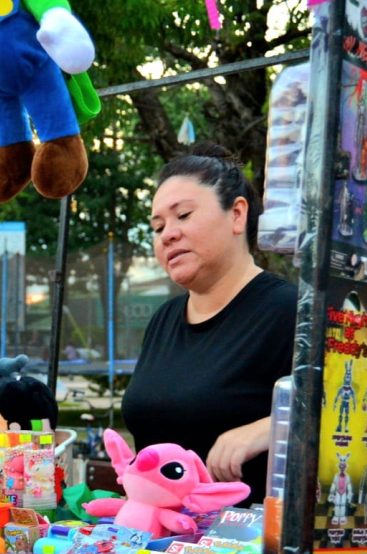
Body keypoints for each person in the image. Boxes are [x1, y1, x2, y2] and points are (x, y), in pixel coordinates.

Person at [122, 142, 297, 507]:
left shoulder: (289, 311)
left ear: (237, 214)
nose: (168, 233)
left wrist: (268, 429)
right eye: (157, 227)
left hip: (246, 550)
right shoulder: (164, 320)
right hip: (157, 546)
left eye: (183, 215)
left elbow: (353, 416)